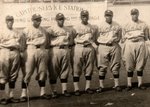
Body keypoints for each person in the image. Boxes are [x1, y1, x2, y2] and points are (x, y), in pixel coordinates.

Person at [47, 13, 75, 98]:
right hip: (55, 49)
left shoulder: (68, 29)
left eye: (62, 19)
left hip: (65, 49)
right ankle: (54, 91)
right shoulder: (50, 29)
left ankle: (64, 90)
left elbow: (71, 41)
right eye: (59, 19)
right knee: (53, 70)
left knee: (65, 69)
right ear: (56, 20)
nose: (61, 20)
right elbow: (47, 40)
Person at [22, 14, 50, 100]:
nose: (38, 21)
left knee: (42, 72)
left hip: (41, 49)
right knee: (28, 72)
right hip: (31, 49)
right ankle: (23, 94)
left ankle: (43, 92)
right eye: (36, 19)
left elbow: (47, 43)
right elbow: (23, 43)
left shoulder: (44, 30)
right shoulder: (26, 30)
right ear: (32, 20)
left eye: (39, 19)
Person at [122, 8, 149, 91]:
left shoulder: (144, 24)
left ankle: (140, 84)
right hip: (129, 43)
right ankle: (129, 84)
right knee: (129, 63)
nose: (134, 15)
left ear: (138, 14)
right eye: (133, 14)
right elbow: (123, 38)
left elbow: (146, 37)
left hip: (140, 43)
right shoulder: (126, 24)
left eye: (136, 14)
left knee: (140, 63)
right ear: (131, 15)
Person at [73, 10, 98, 96]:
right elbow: (72, 38)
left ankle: (87, 87)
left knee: (89, 67)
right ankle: (76, 88)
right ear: (80, 17)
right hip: (79, 47)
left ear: (88, 16)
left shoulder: (92, 27)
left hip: (89, 47)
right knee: (77, 68)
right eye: (83, 16)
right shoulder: (76, 27)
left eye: (86, 16)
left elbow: (94, 38)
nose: (85, 17)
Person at [96, 10, 122, 93]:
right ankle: (101, 86)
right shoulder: (100, 26)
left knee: (116, 65)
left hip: (114, 46)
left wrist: (115, 41)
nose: (108, 17)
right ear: (104, 16)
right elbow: (96, 37)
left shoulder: (117, 25)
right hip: (103, 46)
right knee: (102, 66)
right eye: (107, 15)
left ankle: (117, 85)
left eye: (110, 15)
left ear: (112, 16)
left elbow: (119, 36)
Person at [0, 15, 21, 105]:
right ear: (6, 21)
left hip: (15, 53)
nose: (10, 22)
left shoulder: (17, 31)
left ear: (13, 21)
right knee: (3, 75)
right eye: (8, 20)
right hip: (5, 52)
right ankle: (2, 97)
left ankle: (11, 96)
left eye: (11, 20)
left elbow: (20, 43)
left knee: (13, 75)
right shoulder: (1, 31)